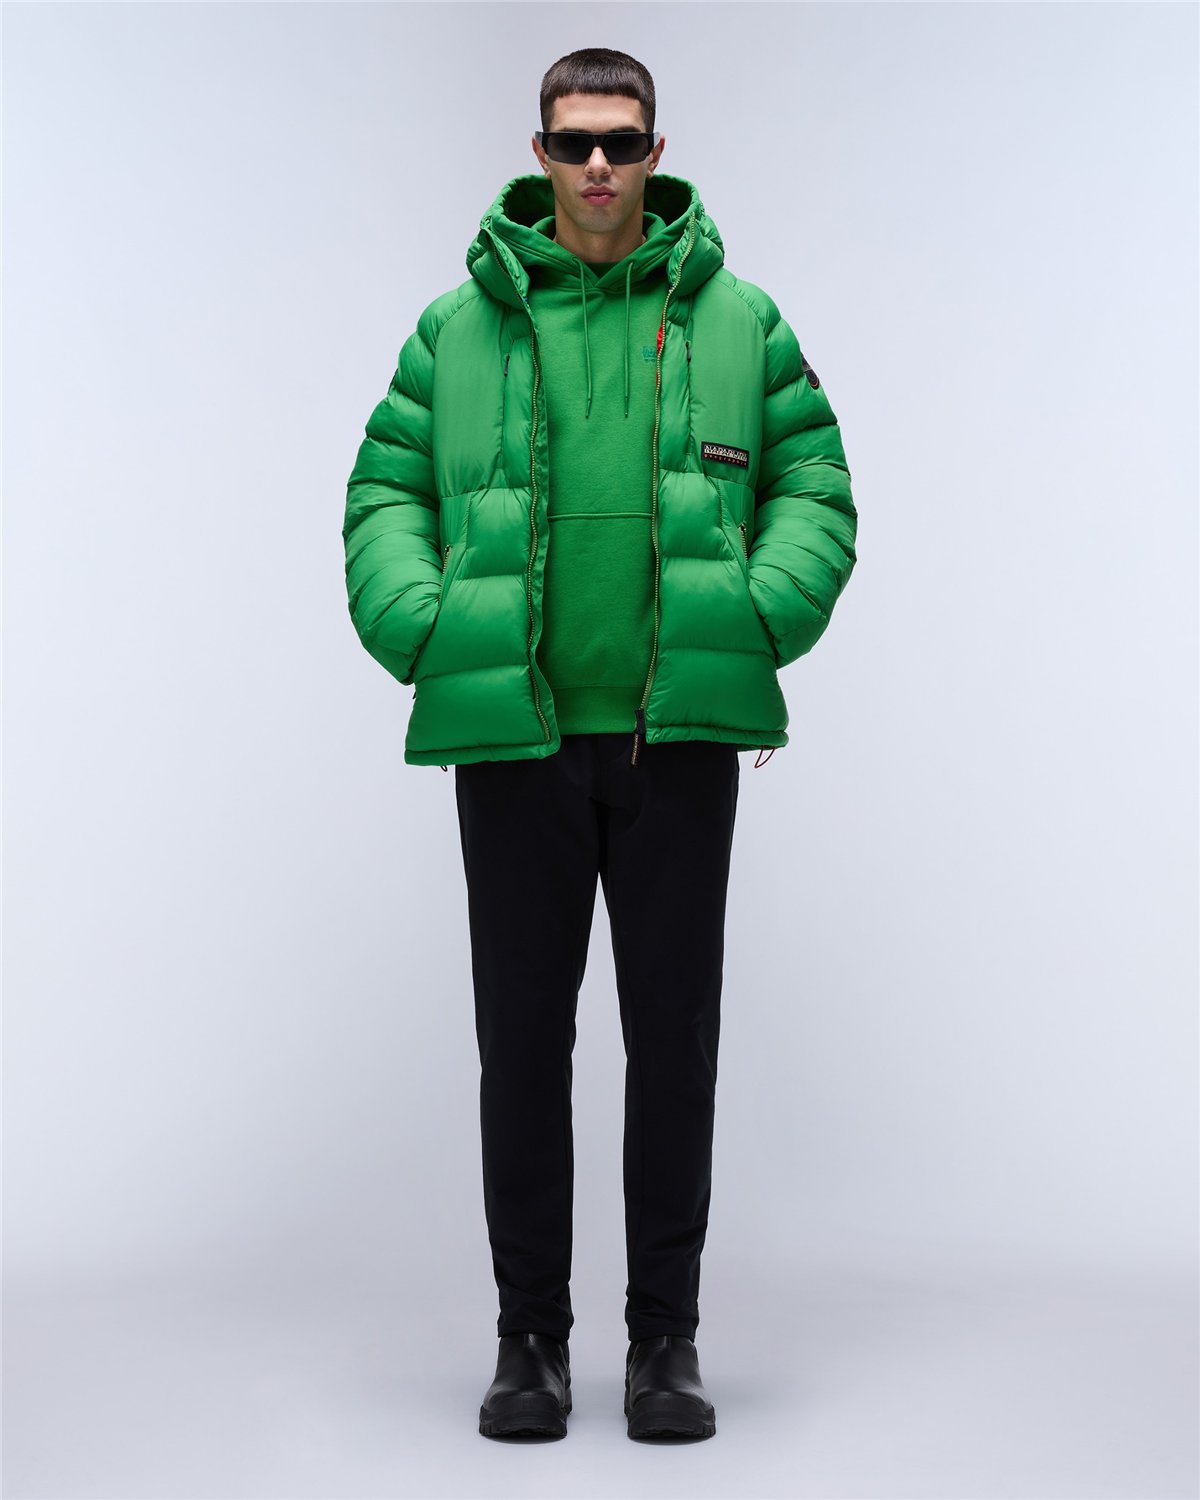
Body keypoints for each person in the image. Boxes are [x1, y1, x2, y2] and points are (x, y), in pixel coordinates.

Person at [342, 46, 857, 1442]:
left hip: (672, 740)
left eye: (620, 143)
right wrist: (429, 628)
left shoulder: (739, 320)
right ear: (539, 151)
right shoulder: (456, 328)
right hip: (513, 743)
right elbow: (384, 492)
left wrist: (753, 614)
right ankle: (530, 1344)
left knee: (673, 1046)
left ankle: (664, 1345)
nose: (596, 168)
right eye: (574, 142)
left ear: (655, 152)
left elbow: (815, 484)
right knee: (522, 1046)